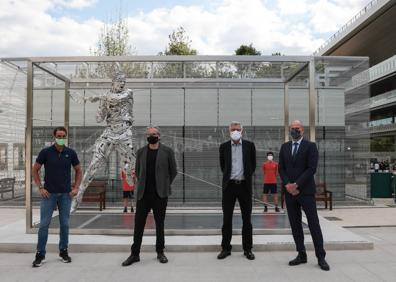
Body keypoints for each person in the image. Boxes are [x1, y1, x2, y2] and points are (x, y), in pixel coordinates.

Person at [71, 72, 136, 213]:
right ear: (113, 82)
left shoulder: (128, 93)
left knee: (132, 159)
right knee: (93, 166)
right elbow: (99, 119)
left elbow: (120, 98)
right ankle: (77, 198)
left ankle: (128, 171)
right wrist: (101, 104)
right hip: (109, 133)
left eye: (124, 81)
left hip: (124, 133)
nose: (122, 83)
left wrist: (101, 97)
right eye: (119, 81)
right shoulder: (106, 97)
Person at [122, 126, 177, 266]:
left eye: (154, 134)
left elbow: (173, 171)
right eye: (149, 134)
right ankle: (135, 254)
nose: (151, 136)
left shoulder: (167, 151)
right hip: (143, 195)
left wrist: (164, 184)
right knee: (138, 225)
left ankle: (160, 252)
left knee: (160, 224)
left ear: (159, 136)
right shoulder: (141, 152)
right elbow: (139, 172)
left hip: (160, 195)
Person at [278, 120, 330, 271]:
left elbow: (311, 169)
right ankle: (301, 254)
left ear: (302, 130)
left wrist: (297, 185)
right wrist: (288, 185)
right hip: (290, 193)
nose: (294, 130)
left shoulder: (310, 146)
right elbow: (281, 168)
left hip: (305, 192)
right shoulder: (284, 147)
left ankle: (321, 257)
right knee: (295, 225)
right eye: (292, 128)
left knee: (313, 224)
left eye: (297, 128)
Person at [31, 126, 82, 267]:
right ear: (54, 137)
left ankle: (63, 251)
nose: (61, 138)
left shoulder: (70, 153)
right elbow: (35, 169)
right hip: (49, 195)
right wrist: (40, 187)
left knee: (64, 225)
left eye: (63, 136)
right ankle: (40, 254)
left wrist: (76, 187)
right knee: (44, 225)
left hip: (66, 195)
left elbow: (78, 170)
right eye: (58, 136)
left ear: (66, 137)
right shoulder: (46, 152)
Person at [217, 121, 256, 261]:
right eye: (233, 129)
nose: (235, 131)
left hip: (244, 186)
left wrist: (244, 176)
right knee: (227, 219)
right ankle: (225, 248)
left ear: (242, 130)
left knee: (247, 219)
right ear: (229, 131)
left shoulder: (249, 146)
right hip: (229, 186)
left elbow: (253, 165)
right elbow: (223, 166)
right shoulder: (223, 147)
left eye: (238, 129)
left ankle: (248, 249)